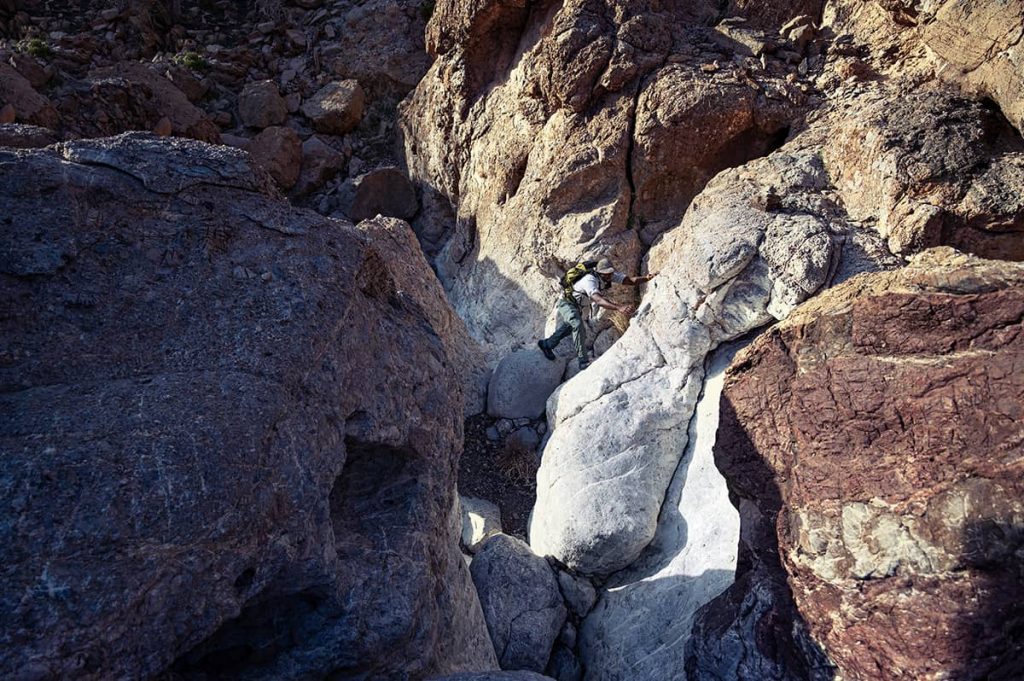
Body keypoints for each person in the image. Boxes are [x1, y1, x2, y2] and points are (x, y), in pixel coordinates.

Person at [537, 257, 657, 370]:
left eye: (611, 273)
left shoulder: (609, 275)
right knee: (577, 324)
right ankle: (583, 361)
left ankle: (547, 344)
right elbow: (598, 300)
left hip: (580, 306)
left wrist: (647, 277)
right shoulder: (590, 280)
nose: (610, 275)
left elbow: (629, 280)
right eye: (607, 273)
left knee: (569, 327)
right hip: (567, 303)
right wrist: (619, 307)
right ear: (600, 272)